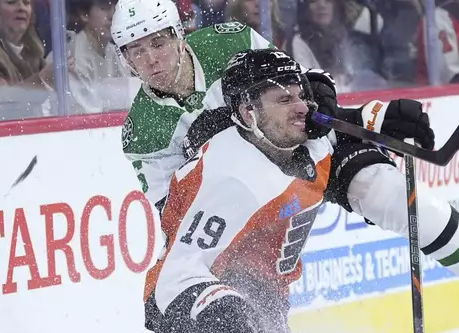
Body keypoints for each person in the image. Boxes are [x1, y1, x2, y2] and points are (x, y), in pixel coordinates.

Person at [143, 48, 459, 333]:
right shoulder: (229, 177)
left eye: (299, 94)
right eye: (284, 101)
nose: (302, 107)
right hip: (189, 316)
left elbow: (332, 119)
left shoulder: (301, 137)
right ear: (247, 112)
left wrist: (377, 118)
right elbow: (176, 278)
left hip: (265, 317)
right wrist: (228, 311)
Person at [109, 0, 434, 215]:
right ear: (124, 58)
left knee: (378, 185)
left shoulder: (230, 42)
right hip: (238, 217)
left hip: (296, 153)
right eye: (135, 51)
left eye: (158, 43)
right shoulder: (140, 133)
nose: (150, 59)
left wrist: (362, 118)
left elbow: (299, 92)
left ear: (179, 35)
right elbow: (174, 213)